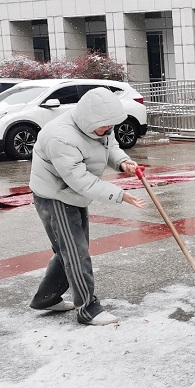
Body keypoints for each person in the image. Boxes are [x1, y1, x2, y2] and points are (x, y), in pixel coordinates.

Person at [28, 87, 146, 326]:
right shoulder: (60, 137)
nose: (108, 130)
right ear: (89, 119)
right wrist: (119, 195)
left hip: (74, 195)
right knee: (75, 252)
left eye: (111, 125)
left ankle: (46, 298)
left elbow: (108, 145)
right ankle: (87, 308)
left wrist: (122, 162)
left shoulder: (98, 126)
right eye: (104, 126)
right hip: (56, 197)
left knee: (70, 250)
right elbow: (79, 180)